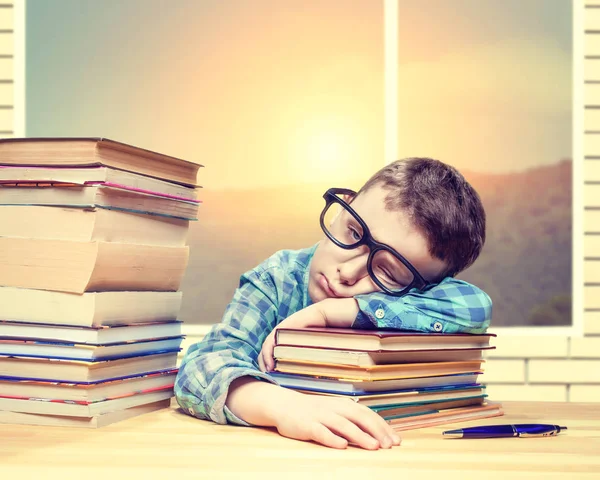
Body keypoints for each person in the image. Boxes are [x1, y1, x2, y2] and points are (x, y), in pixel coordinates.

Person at [175, 157, 492, 451]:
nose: (348, 272)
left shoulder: (422, 292)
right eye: (354, 232)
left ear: (427, 285)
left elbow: (475, 307)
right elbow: (202, 366)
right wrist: (282, 405)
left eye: (387, 271)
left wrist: (336, 312)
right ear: (345, 206)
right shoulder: (278, 278)